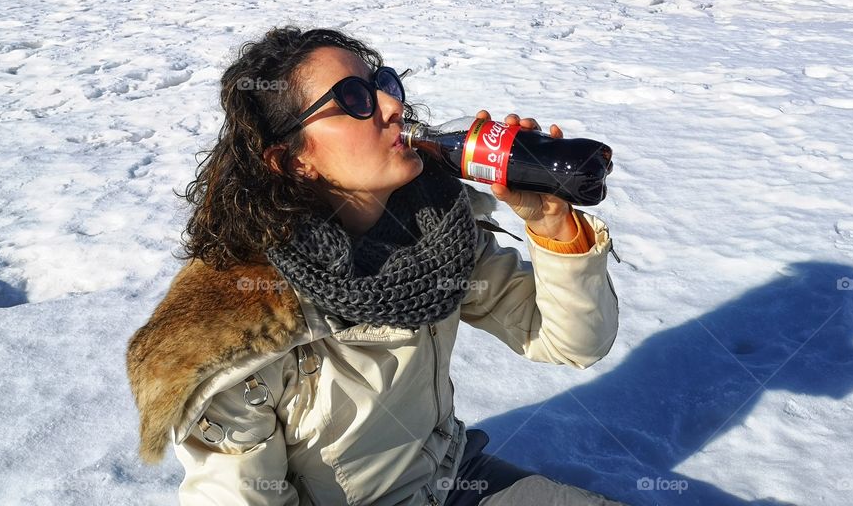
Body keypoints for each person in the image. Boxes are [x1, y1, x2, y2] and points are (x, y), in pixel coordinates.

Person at [126, 27, 625, 505]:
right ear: (294, 160)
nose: (392, 106)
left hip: (453, 477)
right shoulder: (239, 332)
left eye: (382, 85)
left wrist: (553, 224)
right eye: (353, 100)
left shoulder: (437, 232)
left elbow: (573, 343)